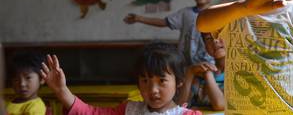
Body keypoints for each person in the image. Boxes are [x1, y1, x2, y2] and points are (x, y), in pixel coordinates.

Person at [41, 42, 201, 115]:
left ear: (179, 81)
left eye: (162, 81)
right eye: (145, 80)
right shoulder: (129, 110)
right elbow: (90, 113)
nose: (152, 90)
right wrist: (62, 91)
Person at [124, 0, 217, 66]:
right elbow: (163, 22)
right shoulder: (185, 13)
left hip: (208, 64)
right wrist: (139, 18)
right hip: (184, 63)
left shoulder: (218, 14)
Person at [178, 32, 225, 111]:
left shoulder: (240, 73)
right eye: (208, 38)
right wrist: (190, 72)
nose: (215, 41)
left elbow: (219, 105)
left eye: (219, 35)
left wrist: (208, 74)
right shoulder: (198, 74)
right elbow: (180, 107)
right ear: (205, 47)